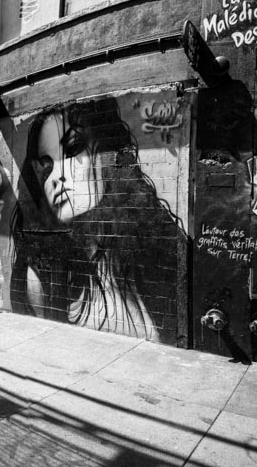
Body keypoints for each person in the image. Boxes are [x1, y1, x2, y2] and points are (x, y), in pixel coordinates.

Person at [10, 99, 185, 342]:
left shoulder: (155, 247)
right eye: (47, 166)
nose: (57, 177)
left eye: (73, 149)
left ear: (106, 151)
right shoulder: (39, 274)